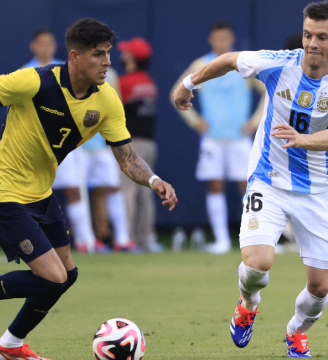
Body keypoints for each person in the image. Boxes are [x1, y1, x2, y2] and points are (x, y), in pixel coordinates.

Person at [0, 18, 177, 360]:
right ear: (75, 56)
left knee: (68, 275)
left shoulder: (107, 101)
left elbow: (129, 158)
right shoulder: (35, 80)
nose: (107, 62)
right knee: (52, 277)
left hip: (40, 194)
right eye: (98, 54)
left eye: (108, 54)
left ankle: (10, 345)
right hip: (1, 189)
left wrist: (153, 180)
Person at [173, 2, 328, 357]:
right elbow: (229, 60)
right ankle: (247, 304)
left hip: (319, 190)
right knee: (258, 264)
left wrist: (303, 140)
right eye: (308, 35)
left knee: (320, 288)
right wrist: (188, 83)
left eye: (322, 37)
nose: (312, 44)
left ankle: (296, 331)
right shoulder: (280, 63)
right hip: (269, 180)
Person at [171, 22, 265, 254]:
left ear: (231, 39)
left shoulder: (243, 64)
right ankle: (222, 241)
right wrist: (195, 121)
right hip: (212, 139)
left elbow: (269, 91)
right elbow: (178, 91)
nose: (221, 42)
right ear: (211, 40)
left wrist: (255, 121)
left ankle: (253, 240)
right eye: (217, 38)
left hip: (240, 139)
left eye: (225, 38)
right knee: (215, 186)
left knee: (249, 188)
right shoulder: (201, 65)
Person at [22, 28, 98, 254]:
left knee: (74, 189)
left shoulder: (68, 70)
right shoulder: (25, 72)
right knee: (31, 195)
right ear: (33, 46)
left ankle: (85, 240)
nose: (45, 47)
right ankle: (31, 243)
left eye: (49, 43)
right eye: (41, 43)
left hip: (66, 143)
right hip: (36, 147)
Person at [80, 67, 136, 252]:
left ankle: (122, 239)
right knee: (78, 192)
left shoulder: (111, 74)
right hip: (77, 145)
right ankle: (86, 241)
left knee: (114, 188)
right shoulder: (74, 71)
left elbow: (116, 106)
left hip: (103, 145)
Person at [117, 37, 164, 252]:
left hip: (130, 143)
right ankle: (146, 239)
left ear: (133, 59)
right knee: (146, 193)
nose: (123, 55)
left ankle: (127, 239)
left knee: (128, 191)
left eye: (127, 53)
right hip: (149, 143)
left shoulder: (125, 82)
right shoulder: (149, 83)